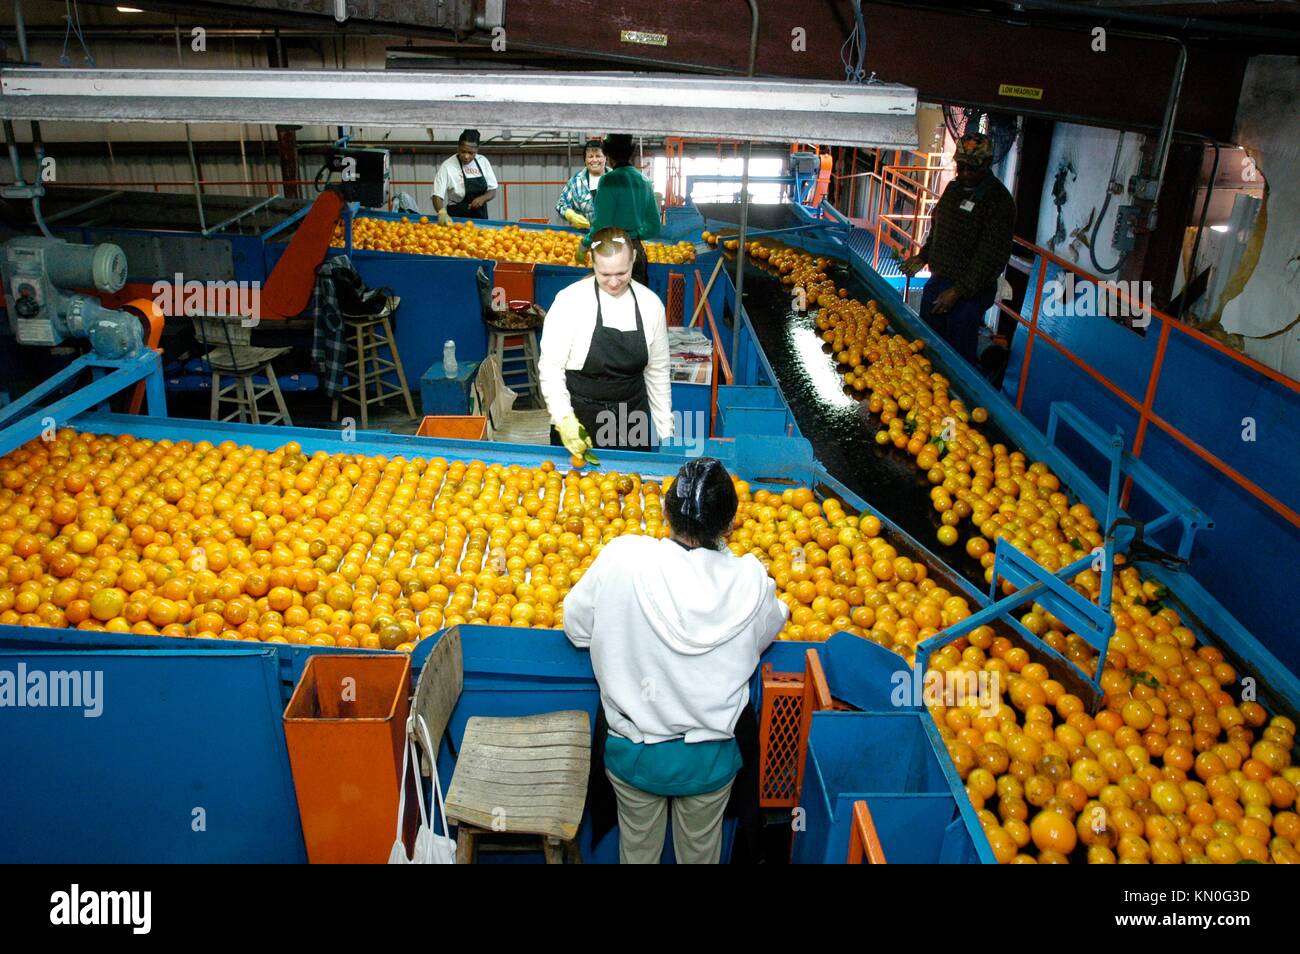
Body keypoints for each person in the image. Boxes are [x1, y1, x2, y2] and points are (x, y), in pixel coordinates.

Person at [563, 457, 789, 864]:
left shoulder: (622, 558)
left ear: (665, 512)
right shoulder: (752, 582)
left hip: (633, 754)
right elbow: (772, 624)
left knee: (637, 850)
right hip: (709, 762)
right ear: (730, 526)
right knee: (701, 852)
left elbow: (576, 627)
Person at [539, 226, 672, 454]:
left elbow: (657, 373)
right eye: (604, 275)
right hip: (580, 416)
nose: (613, 282)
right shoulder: (570, 302)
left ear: (633, 260)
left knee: (632, 483)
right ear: (592, 262)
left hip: (631, 419)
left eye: (621, 273)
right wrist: (564, 419)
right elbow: (551, 368)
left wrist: (667, 434)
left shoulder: (651, 306)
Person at [900, 132, 1015, 368]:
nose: (963, 173)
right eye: (960, 166)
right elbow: (939, 229)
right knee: (926, 345)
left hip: (971, 291)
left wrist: (958, 291)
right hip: (941, 280)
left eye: (970, 168)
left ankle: (957, 400)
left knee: (958, 354)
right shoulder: (954, 190)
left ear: (985, 165)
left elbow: (991, 257)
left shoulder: (998, 201)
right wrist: (924, 255)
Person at [575, 134, 660, 286]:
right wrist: (634, 234)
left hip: (612, 252)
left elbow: (601, 225)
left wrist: (584, 245)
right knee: (635, 302)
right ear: (632, 152)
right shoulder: (644, 181)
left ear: (607, 154)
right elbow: (654, 226)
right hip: (636, 253)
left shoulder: (608, 180)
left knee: (610, 302)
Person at [431, 129, 499, 223]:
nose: (466, 156)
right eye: (463, 152)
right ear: (458, 148)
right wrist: (442, 213)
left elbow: (492, 190)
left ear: (477, 150)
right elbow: (437, 195)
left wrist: (482, 199)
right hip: (456, 217)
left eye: (471, 153)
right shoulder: (448, 166)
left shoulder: (483, 162)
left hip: (480, 217)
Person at [555, 139, 606, 229]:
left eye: (598, 156)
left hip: (611, 236)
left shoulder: (615, 179)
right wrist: (570, 215)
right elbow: (561, 204)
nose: (594, 160)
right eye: (590, 156)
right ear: (585, 160)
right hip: (584, 235)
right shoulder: (576, 182)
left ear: (605, 158)